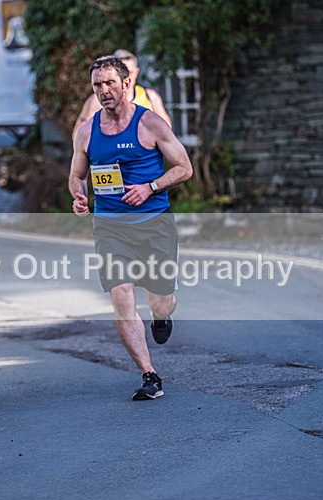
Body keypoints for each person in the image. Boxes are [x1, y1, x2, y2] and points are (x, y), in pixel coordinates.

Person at [69, 56, 192, 400]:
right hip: (110, 226)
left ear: (126, 84)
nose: (104, 90)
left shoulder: (150, 123)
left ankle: (161, 314)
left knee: (160, 301)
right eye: (97, 85)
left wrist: (150, 187)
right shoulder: (86, 131)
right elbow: (77, 175)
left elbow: (184, 167)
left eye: (110, 83)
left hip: (154, 223)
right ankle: (149, 375)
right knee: (121, 295)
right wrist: (79, 196)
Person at [72, 49, 172, 139]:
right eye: (121, 74)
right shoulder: (97, 100)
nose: (126, 77)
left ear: (137, 72)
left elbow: (167, 132)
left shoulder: (150, 96)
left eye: (130, 72)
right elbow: (78, 136)